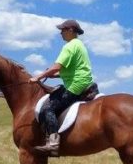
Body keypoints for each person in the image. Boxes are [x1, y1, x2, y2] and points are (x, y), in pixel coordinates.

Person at [29, 19, 94, 156]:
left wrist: (38, 77)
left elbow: (56, 66)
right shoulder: (79, 44)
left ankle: (53, 145)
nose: (60, 33)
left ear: (71, 30)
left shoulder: (69, 46)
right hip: (83, 81)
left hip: (76, 85)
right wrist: (56, 76)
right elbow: (72, 69)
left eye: (62, 30)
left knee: (48, 109)